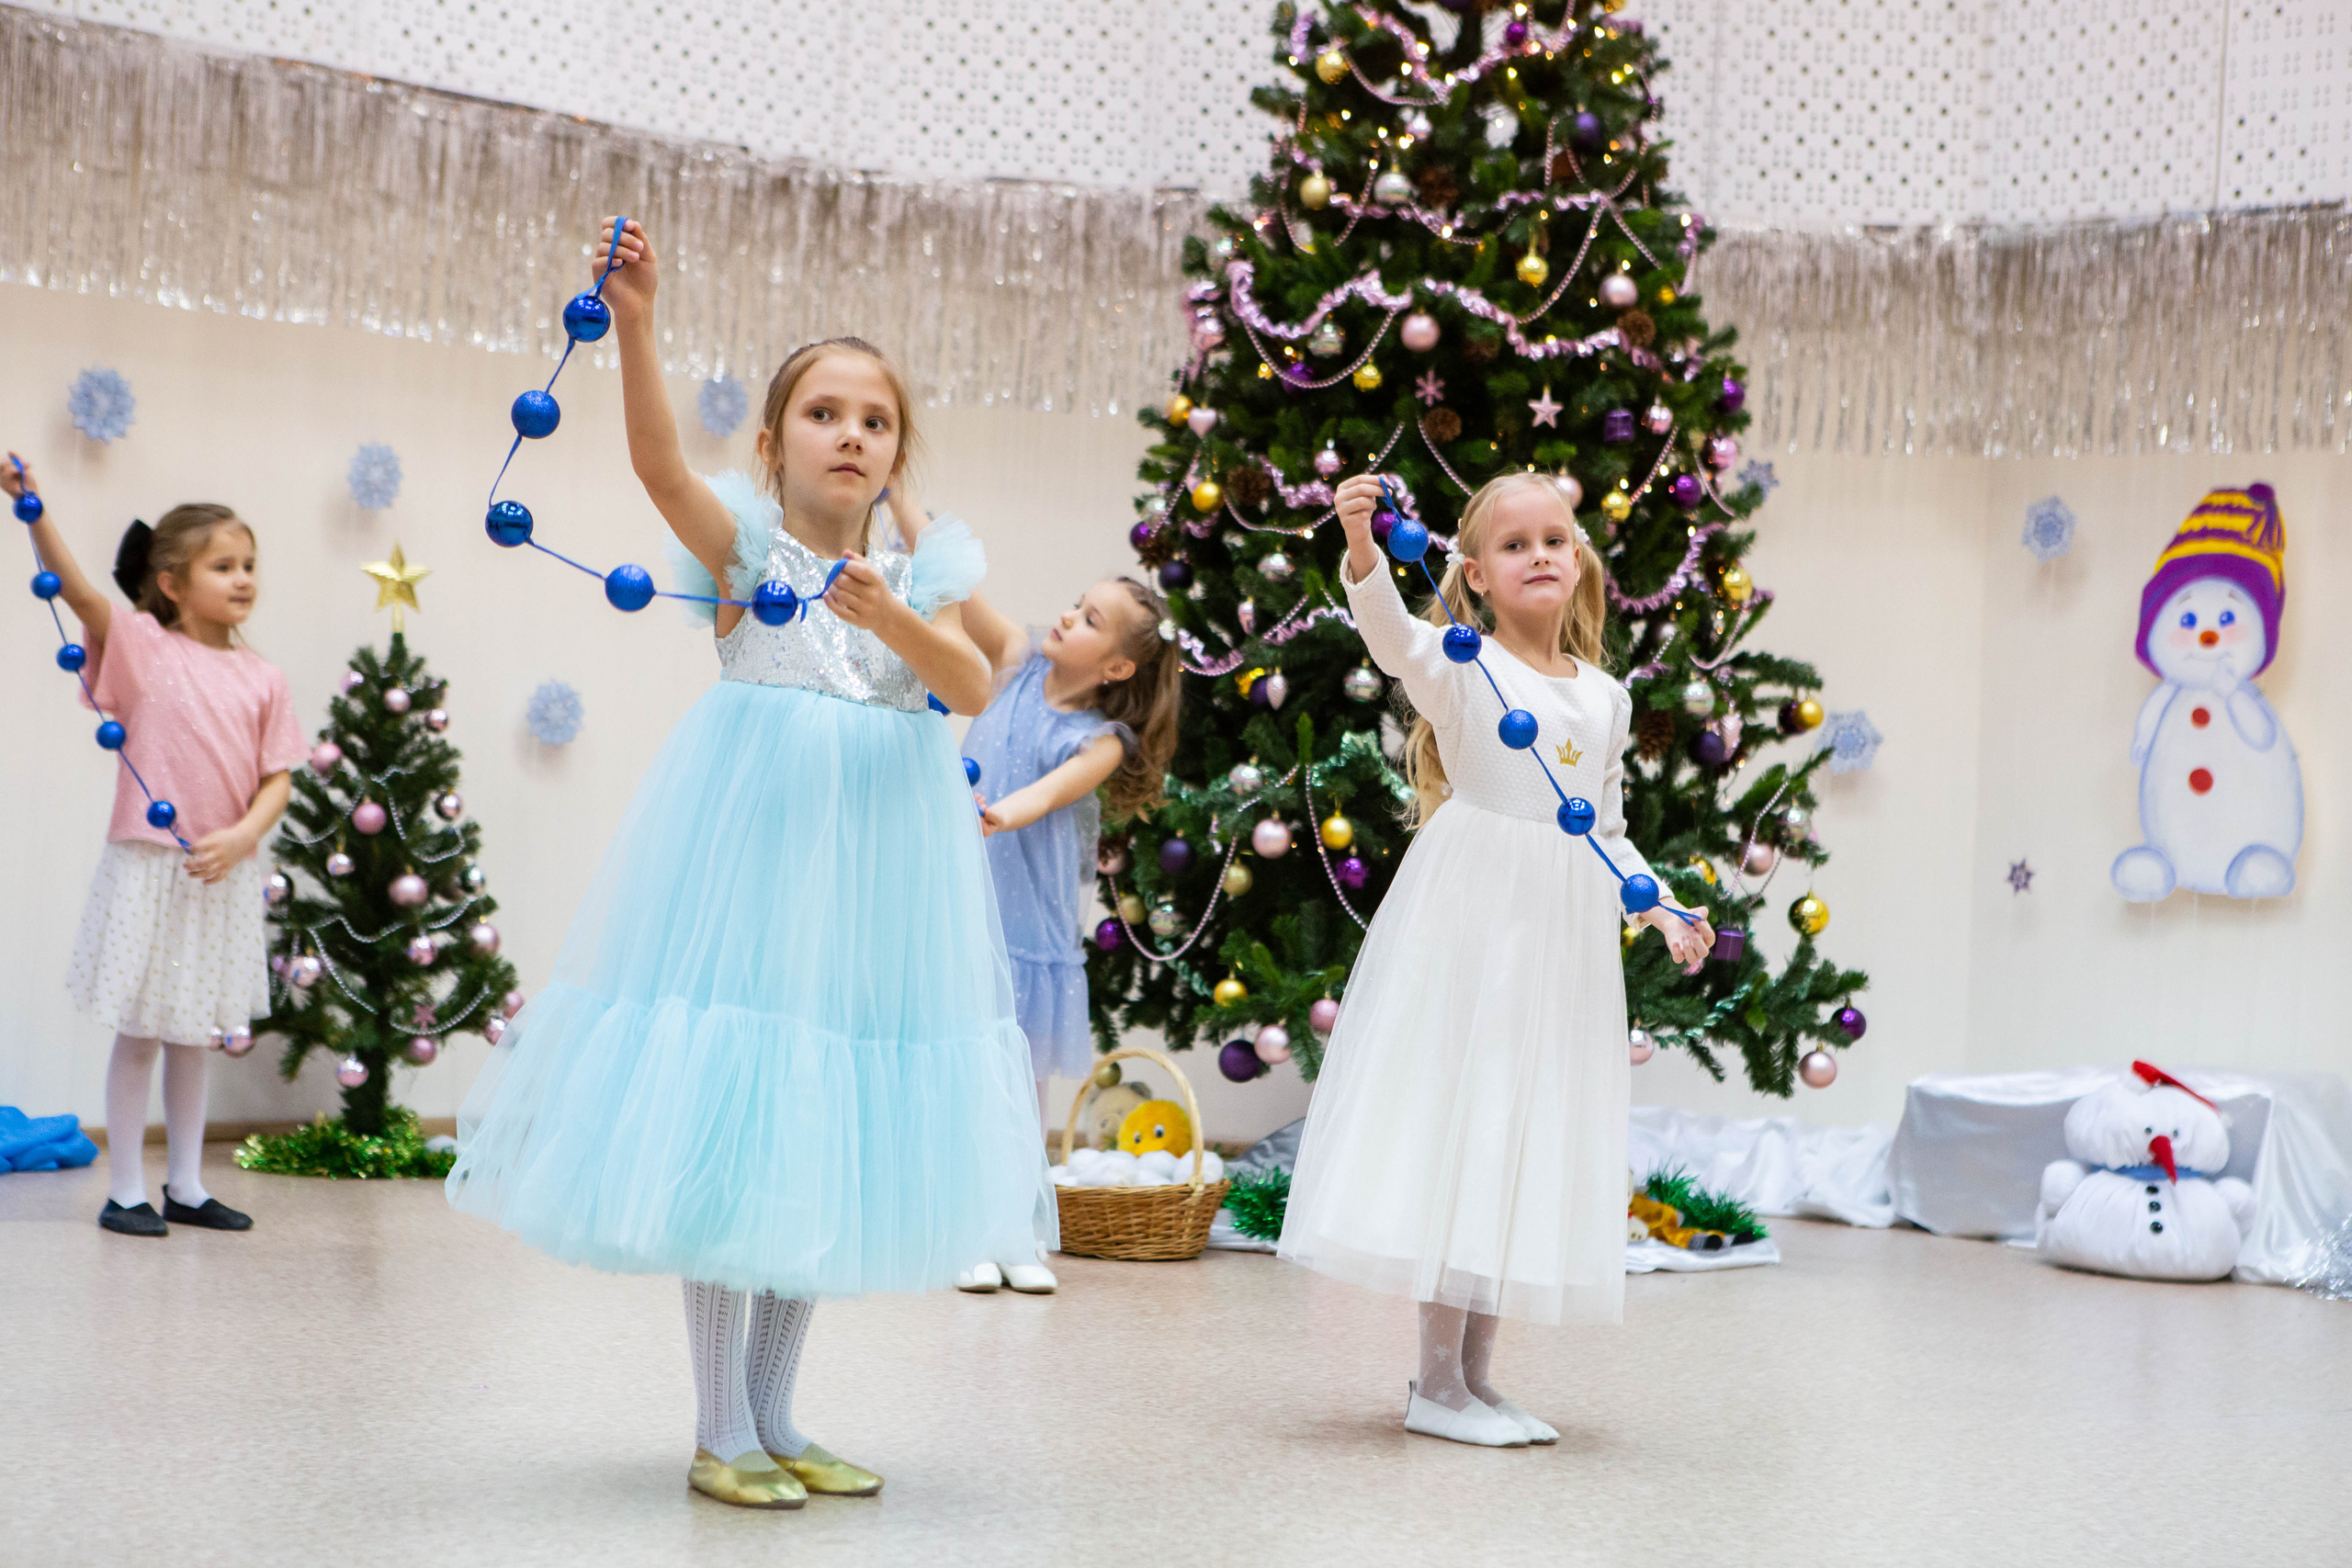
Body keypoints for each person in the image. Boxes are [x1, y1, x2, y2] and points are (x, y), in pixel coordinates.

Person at [445, 219, 1052, 1510]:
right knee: (740, 1117)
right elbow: (659, 466)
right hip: (756, 869)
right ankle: (720, 1425)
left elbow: (969, 685)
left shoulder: (922, 571)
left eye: (875, 421)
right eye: (823, 414)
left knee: (817, 1122)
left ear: (896, 453)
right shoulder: (746, 552)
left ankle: (777, 1413)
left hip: (875, 883)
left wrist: (892, 609)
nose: (851, 435)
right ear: (775, 445)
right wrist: (639, 323)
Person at [1277, 470, 1713, 1448]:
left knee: (1513, 1135)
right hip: (1475, 922)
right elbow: (1391, 639)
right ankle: (1436, 1384)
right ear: (1473, 574)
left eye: (1555, 538)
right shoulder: (1460, 662)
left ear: (1580, 559)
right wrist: (1361, 545)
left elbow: (1605, 829)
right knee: (1468, 1126)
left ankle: (1475, 1379)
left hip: (1558, 938)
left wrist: (1660, 906)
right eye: (1514, 545)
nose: (1540, 555)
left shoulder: (1605, 697)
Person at [3, 457, 302, 1237]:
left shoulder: (264, 676)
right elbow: (77, 591)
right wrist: (34, 508)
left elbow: (278, 777)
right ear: (171, 582)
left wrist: (243, 835)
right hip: (148, 865)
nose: (243, 579)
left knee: (195, 1033)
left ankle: (187, 1184)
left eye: (249, 565)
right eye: (223, 566)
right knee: (140, 1030)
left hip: (219, 871)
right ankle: (128, 1188)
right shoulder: (141, 645)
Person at [941, 558, 1182, 1295]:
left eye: (1090, 618)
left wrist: (997, 812)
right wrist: (906, 510)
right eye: (1077, 603)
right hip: (966, 906)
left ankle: (1014, 1231)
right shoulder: (1013, 661)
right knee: (964, 1074)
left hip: (1031, 927)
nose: (1068, 615)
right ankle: (965, 1230)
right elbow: (961, 590)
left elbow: (1049, 794)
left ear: (1116, 666)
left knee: (1021, 1087)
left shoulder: (1102, 738)